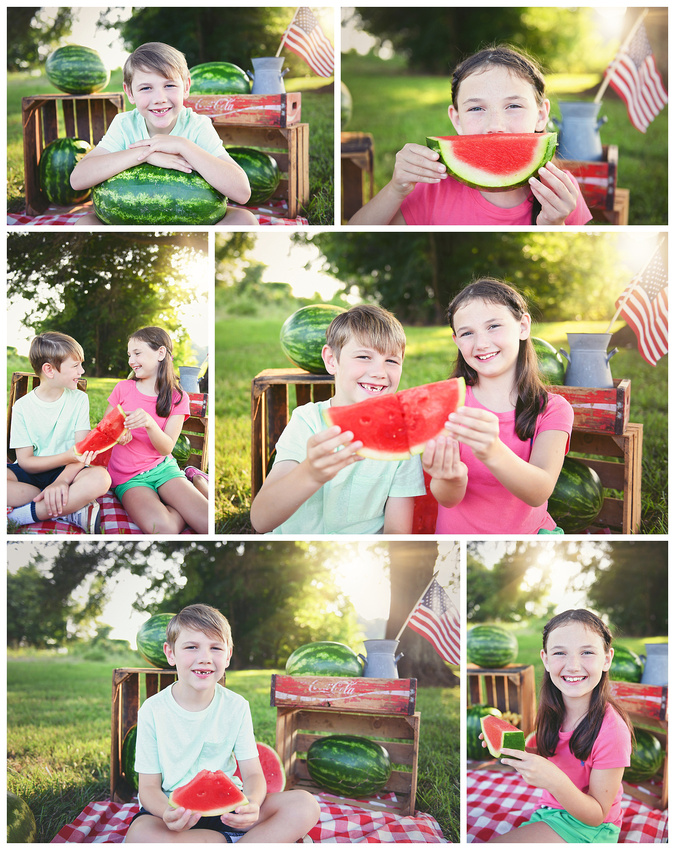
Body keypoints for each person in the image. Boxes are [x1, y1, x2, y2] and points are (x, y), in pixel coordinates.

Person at [126, 604, 320, 843]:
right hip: (174, 813)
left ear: (227, 655)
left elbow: (252, 775)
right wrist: (167, 812)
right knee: (141, 835)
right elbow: (148, 788)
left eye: (215, 648)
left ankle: (223, 840)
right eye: (192, 647)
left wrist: (252, 805)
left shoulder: (236, 706)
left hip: (231, 811)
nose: (205, 658)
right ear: (170, 653)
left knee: (305, 804)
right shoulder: (152, 711)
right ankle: (238, 841)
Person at [350, 45, 592, 226]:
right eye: (476, 108)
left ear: (541, 115)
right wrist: (396, 188)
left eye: (513, 106)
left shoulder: (561, 192)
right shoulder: (430, 186)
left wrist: (554, 226)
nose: (495, 126)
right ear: (457, 119)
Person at [250, 305, 425, 534]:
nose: (379, 372)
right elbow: (261, 520)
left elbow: (397, 535)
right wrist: (310, 473)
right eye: (364, 356)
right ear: (331, 360)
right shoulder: (307, 421)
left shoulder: (402, 439)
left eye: (391, 361)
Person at [423, 279, 573, 534]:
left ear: (523, 326)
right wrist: (450, 477)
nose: (481, 343)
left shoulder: (553, 410)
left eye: (493, 326)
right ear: (456, 340)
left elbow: (539, 492)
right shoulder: (445, 403)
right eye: (467, 333)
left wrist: (491, 450)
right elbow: (447, 499)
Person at [70, 42, 257, 226]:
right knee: (84, 224)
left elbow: (242, 193)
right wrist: (145, 154)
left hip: (191, 221)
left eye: (169, 86)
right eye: (146, 88)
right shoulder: (125, 125)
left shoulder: (197, 126)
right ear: (130, 92)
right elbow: (78, 180)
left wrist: (183, 146)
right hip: (130, 220)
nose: (159, 98)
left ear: (186, 87)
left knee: (245, 220)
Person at [485, 609, 633, 843]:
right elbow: (539, 752)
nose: (573, 666)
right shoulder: (552, 711)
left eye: (586, 652)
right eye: (560, 653)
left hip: (591, 828)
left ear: (607, 659)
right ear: (545, 659)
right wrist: (507, 748)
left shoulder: (613, 732)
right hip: (550, 811)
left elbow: (596, 815)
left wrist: (553, 779)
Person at [103, 326, 208, 534]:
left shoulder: (178, 397)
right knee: (162, 529)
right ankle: (181, 504)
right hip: (129, 478)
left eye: (137, 353)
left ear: (160, 353)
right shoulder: (123, 389)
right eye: (129, 355)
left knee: (206, 523)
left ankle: (192, 478)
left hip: (163, 469)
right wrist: (118, 433)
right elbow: (105, 429)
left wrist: (150, 423)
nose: (131, 360)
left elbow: (166, 447)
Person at [7, 331, 111, 532]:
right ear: (49, 370)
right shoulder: (21, 408)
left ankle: (23, 515)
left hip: (69, 472)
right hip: (32, 475)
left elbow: (81, 454)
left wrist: (62, 481)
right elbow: (26, 462)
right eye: (75, 366)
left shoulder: (79, 399)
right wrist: (66, 456)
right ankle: (69, 508)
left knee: (101, 478)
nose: (82, 370)